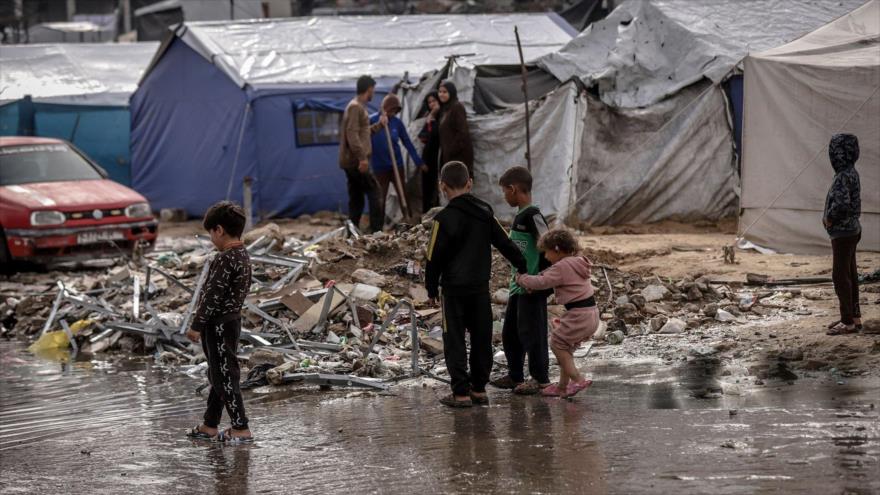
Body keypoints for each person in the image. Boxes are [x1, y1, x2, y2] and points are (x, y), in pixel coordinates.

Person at [425, 161, 527, 408]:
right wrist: (523, 265)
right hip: (480, 288)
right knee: (482, 338)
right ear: (469, 183)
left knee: (455, 340)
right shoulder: (485, 212)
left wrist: (431, 288)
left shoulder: (442, 219)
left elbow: (433, 257)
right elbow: (505, 242)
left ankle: (461, 393)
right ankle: (479, 389)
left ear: (442, 186)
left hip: (453, 291)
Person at [185, 201, 253, 442]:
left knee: (224, 376)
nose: (212, 239)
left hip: (218, 325)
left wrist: (197, 326)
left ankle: (241, 428)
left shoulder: (225, 259)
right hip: (231, 321)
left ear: (219, 230)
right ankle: (210, 424)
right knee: (219, 374)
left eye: (211, 233)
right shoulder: (243, 255)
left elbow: (212, 296)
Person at [490, 166, 552, 395]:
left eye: (505, 191)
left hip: (532, 288)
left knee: (533, 334)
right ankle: (515, 375)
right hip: (518, 287)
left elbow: (549, 244)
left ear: (513, 189)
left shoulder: (532, 215)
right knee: (511, 334)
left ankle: (540, 379)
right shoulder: (520, 216)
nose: (504, 196)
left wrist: (542, 281)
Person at [516, 229, 599, 398]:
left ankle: (578, 380)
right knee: (565, 350)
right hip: (591, 313)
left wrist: (522, 279)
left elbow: (543, 281)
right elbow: (551, 277)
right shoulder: (578, 262)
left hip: (578, 314)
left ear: (557, 249)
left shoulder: (562, 266)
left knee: (557, 344)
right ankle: (562, 387)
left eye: (546, 252)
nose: (545, 257)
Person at [824, 133, 862, 335]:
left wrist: (829, 218)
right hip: (853, 230)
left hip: (843, 233)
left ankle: (847, 322)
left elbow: (841, 205)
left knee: (840, 276)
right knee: (850, 275)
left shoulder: (842, 177)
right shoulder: (852, 173)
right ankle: (854, 318)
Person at [339, 75, 387, 233]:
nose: (373, 93)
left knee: (357, 198)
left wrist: (380, 125)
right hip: (356, 161)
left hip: (352, 160)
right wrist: (362, 158)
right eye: (373, 90)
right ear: (369, 89)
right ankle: (376, 231)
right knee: (375, 191)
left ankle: (351, 232)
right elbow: (352, 134)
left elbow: (363, 133)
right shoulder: (355, 107)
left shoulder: (357, 106)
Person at [369, 93, 424, 221]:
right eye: (391, 110)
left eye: (395, 111)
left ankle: (408, 218)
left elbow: (407, 143)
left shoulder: (397, 123)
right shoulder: (372, 120)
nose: (393, 113)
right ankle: (378, 223)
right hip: (380, 167)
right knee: (380, 196)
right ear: (385, 108)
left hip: (396, 166)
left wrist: (418, 161)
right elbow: (365, 138)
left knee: (402, 192)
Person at [437, 81, 474, 178]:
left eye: (444, 92)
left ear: (451, 93)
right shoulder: (445, 109)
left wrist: (451, 150)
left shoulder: (457, 107)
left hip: (458, 156)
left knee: (457, 183)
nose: (441, 94)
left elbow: (463, 132)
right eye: (440, 92)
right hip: (449, 155)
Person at [418, 91, 442, 213]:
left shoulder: (443, 116)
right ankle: (427, 215)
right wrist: (430, 118)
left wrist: (432, 118)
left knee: (438, 190)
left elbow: (435, 135)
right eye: (429, 102)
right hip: (428, 159)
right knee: (427, 189)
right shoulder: (430, 117)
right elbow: (423, 137)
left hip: (439, 158)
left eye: (434, 101)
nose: (432, 104)